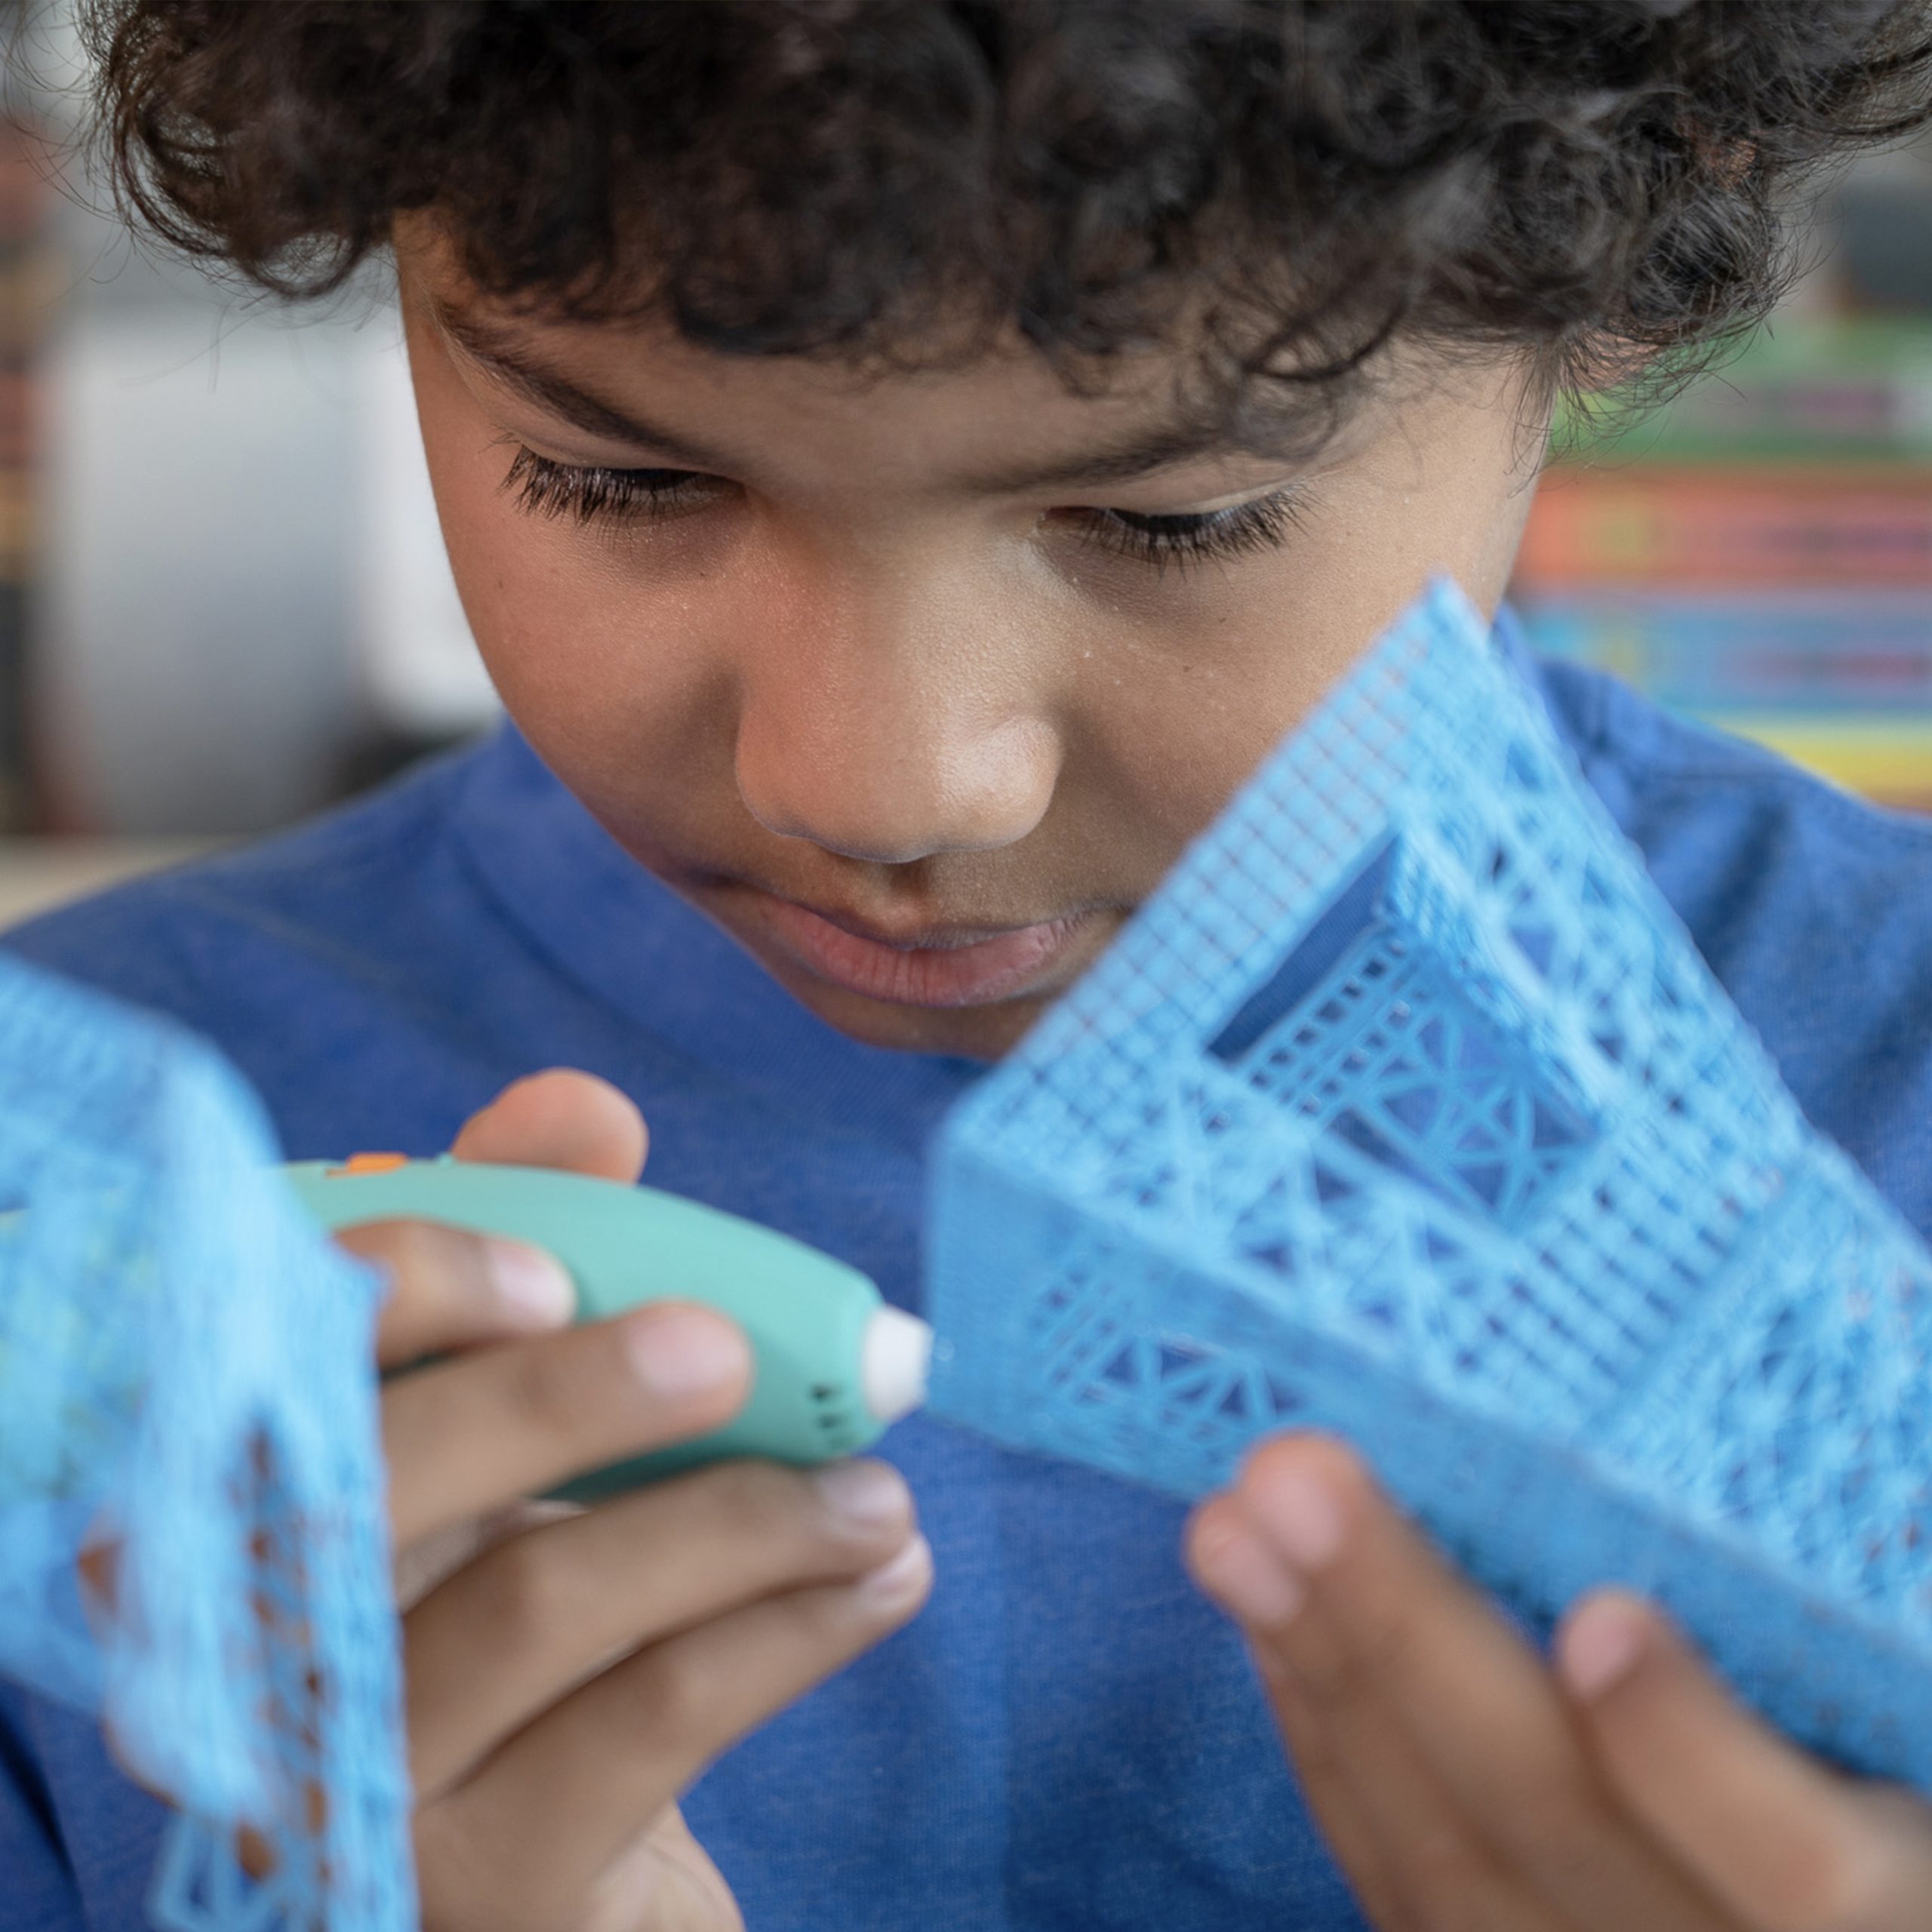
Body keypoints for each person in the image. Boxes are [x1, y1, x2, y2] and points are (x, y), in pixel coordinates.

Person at [9, 2, 1932, 1927]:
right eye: (622, 481)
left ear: (1616, 283)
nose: (877, 783)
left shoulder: (1889, 1071)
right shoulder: (71, 1186)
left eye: (1169, 515)